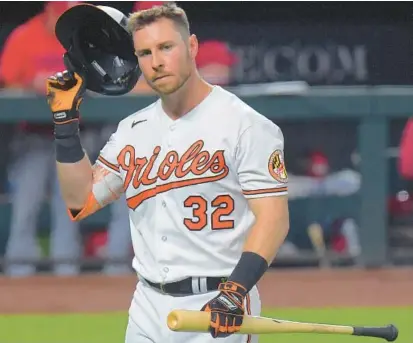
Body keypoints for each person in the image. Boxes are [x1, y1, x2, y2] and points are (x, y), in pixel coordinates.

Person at [46, 3, 289, 342]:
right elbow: (79, 202)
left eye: (165, 47)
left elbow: (274, 218)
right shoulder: (133, 129)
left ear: (191, 46)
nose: (156, 62)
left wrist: (235, 292)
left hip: (217, 303)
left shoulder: (245, 125)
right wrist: (65, 126)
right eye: (144, 52)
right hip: (146, 306)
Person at [0, 1, 131, 276]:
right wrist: (30, 85)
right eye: (62, 14)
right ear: (49, 11)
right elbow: (8, 83)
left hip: (79, 136)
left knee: (69, 205)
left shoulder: (86, 36)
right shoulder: (25, 37)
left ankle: (67, 271)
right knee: (27, 202)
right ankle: (18, 272)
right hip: (33, 138)